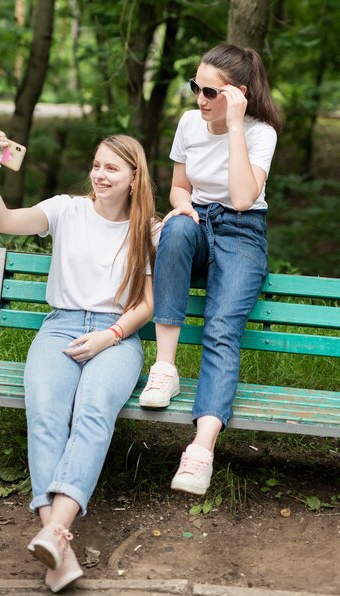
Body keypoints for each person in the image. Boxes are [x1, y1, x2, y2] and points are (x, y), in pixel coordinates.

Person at [0, 129, 159, 592]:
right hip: (58, 328)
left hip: (116, 337)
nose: (99, 174)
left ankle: (54, 532)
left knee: (93, 413)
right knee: (47, 415)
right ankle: (59, 541)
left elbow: (147, 304)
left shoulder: (148, 228)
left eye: (112, 168)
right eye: (96, 165)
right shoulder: (65, 210)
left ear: (135, 177)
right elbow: (2, 220)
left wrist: (108, 337)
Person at [139, 44, 281, 496]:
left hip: (242, 232)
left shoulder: (261, 134)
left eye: (209, 91)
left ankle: (201, 449)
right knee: (177, 230)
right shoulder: (187, 123)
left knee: (221, 329)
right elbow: (181, 188)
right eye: (195, 86)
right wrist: (182, 209)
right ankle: (165, 367)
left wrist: (235, 125)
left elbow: (242, 198)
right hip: (199, 223)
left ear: (237, 94)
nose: (199, 98)